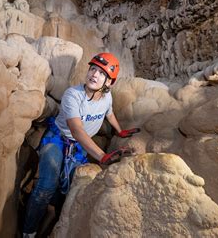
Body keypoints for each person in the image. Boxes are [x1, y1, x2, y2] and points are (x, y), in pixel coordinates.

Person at [22, 53, 140, 237]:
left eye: (102, 73)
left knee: (69, 189)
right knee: (47, 185)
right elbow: (76, 130)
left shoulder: (107, 98)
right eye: (93, 69)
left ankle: (53, 214)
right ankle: (28, 231)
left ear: (109, 83)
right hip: (57, 138)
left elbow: (109, 114)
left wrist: (120, 131)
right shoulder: (73, 95)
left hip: (78, 147)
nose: (94, 74)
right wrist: (102, 156)